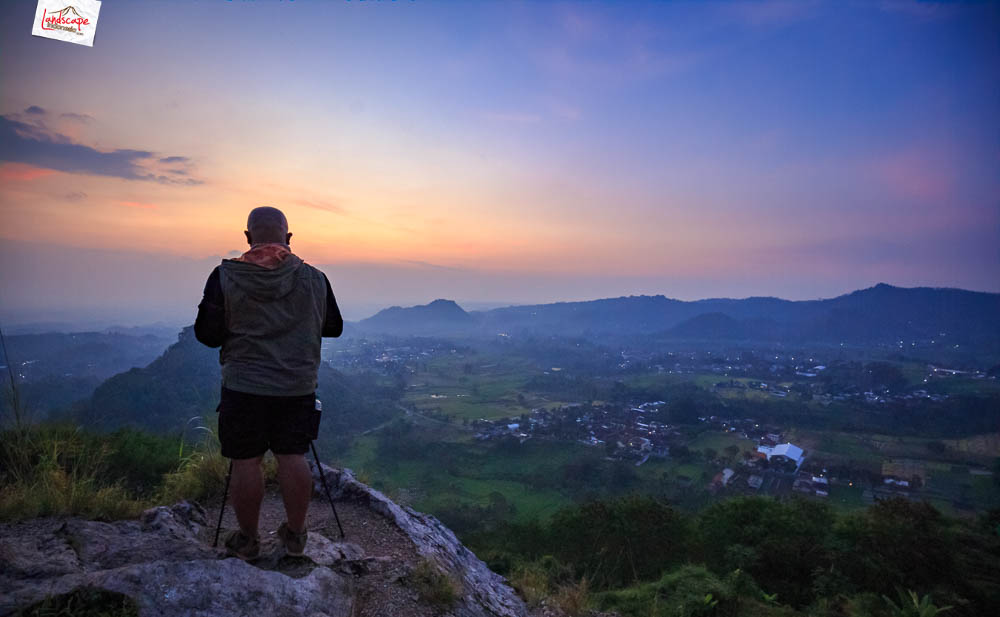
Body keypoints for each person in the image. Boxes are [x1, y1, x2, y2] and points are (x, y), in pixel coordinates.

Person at [194, 206, 343, 560]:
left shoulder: (224, 276)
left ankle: (247, 540)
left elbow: (207, 334)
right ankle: (295, 535)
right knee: (293, 456)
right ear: (288, 237)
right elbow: (333, 327)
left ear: (248, 238)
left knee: (246, 461)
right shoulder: (315, 278)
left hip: (244, 386)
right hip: (297, 386)